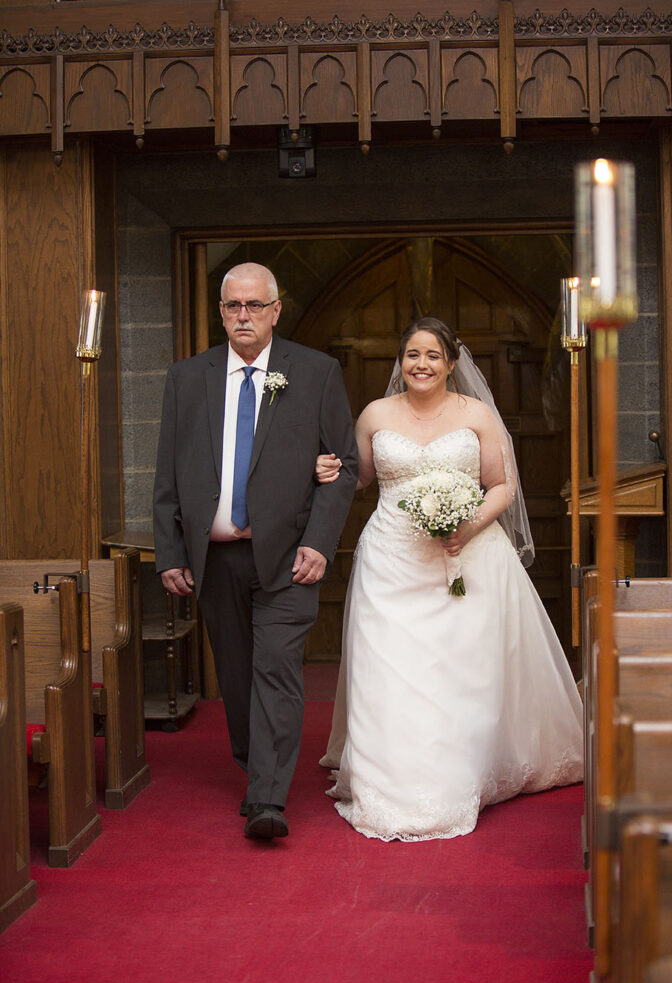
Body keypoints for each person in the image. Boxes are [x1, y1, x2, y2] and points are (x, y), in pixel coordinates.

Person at [315, 316, 583, 842]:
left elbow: (501, 487)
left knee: (456, 671)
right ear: (401, 361)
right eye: (413, 354)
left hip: (466, 559)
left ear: (452, 362)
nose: (422, 365)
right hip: (390, 559)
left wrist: (466, 526)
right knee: (387, 667)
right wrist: (330, 469)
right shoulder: (374, 414)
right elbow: (361, 476)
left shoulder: (476, 414)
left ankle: (459, 773)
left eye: (433, 355)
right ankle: (383, 781)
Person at [153, 262, 357, 841]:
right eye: (232, 306)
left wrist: (319, 542)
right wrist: (171, 552)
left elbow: (342, 466)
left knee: (276, 671)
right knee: (238, 675)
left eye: (254, 306)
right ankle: (254, 767)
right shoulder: (187, 378)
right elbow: (166, 473)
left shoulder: (315, 373)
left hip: (289, 558)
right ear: (221, 312)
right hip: (214, 560)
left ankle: (268, 798)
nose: (243, 316)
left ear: (275, 310)